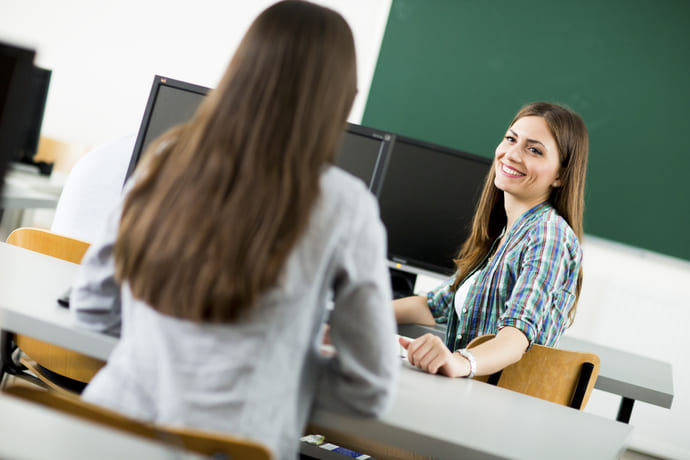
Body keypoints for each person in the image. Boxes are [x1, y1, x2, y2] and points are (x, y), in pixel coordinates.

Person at [69, 1, 399, 457]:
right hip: (235, 445)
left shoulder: (166, 158)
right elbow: (370, 387)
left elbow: (91, 307)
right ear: (339, 98)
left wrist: (170, 354)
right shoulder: (345, 204)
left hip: (107, 432)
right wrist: (271, 377)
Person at [396, 102, 588, 379]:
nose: (512, 154)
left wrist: (460, 362)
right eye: (511, 139)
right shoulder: (505, 234)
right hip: (467, 390)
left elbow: (515, 336)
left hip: (496, 403)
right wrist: (354, 312)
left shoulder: (548, 236)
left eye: (534, 150)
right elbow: (433, 306)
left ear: (560, 175)